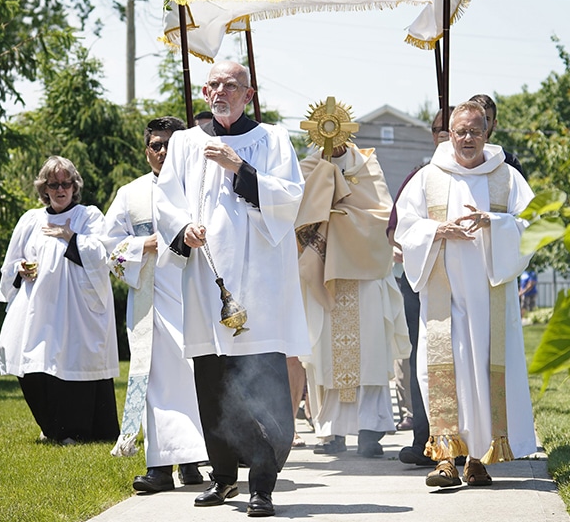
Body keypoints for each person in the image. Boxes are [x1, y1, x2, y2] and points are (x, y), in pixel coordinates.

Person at [155, 60, 310, 518]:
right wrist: (183, 227)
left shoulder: (273, 139)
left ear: (249, 93)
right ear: (205, 92)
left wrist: (239, 167)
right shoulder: (185, 142)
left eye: (231, 85)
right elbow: (165, 197)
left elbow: (290, 197)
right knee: (213, 381)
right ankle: (223, 477)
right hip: (207, 279)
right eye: (214, 84)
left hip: (260, 285)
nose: (221, 91)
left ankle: (262, 483)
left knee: (261, 383)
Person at [395, 101, 537, 489]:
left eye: (476, 130)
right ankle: (444, 460)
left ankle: (477, 459)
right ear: (450, 134)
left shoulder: (507, 177)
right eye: (461, 131)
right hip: (444, 300)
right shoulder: (428, 177)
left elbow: (533, 226)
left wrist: (494, 222)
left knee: (480, 377)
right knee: (442, 371)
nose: (468, 138)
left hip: (490, 300)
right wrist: (435, 231)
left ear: (488, 132)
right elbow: (404, 228)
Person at [102, 116, 208, 493]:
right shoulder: (130, 193)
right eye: (155, 145)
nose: (162, 151)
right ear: (146, 150)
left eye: (170, 144)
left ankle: (195, 459)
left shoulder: (202, 188)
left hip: (196, 297)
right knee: (158, 381)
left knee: (199, 378)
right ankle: (161, 467)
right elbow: (106, 245)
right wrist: (139, 247)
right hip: (151, 302)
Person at [295, 142, 411, 458]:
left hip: (364, 275)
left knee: (370, 351)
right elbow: (298, 213)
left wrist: (339, 220)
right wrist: (324, 211)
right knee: (324, 354)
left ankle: (370, 430)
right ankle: (331, 430)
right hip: (325, 273)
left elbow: (383, 216)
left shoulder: (366, 167)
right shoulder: (308, 167)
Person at [0, 155, 120, 445]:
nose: (60, 190)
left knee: (74, 365)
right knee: (31, 365)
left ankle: (76, 431)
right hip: (37, 308)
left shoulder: (88, 217)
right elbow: (11, 261)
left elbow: (105, 256)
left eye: (66, 183)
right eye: (54, 184)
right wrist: (20, 269)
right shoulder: (31, 220)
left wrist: (70, 237)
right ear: (44, 188)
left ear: (74, 186)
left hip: (78, 308)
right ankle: (51, 426)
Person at [387, 110, 448, 467]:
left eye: (454, 130)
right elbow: (397, 231)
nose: (447, 136)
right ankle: (424, 437)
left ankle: (471, 444)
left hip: (468, 286)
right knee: (422, 358)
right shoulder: (419, 177)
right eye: (440, 129)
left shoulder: (492, 173)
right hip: (422, 283)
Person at [468, 93, 527, 180]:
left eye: (486, 119)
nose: (481, 124)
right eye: (476, 118)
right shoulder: (453, 159)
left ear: (494, 124)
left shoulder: (509, 162)